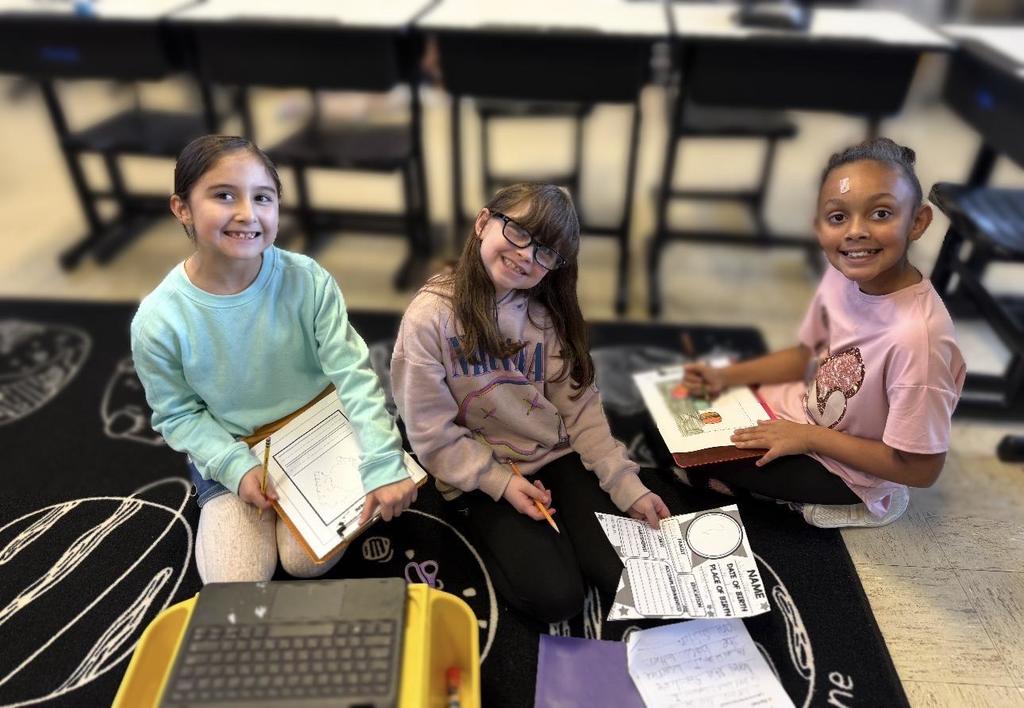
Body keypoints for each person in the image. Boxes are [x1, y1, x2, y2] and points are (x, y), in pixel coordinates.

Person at [131, 135, 416, 583]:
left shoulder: (308, 280)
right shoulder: (157, 320)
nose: (247, 214)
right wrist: (234, 467)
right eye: (224, 195)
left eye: (263, 198)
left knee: (304, 562)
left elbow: (355, 376)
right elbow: (178, 414)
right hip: (236, 444)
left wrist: (382, 457)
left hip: (320, 425)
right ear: (181, 208)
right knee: (236, 581)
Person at [391, 183, 670, 623]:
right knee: (556, 599)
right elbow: (429, 433)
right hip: (477, 469)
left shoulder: (546, 314)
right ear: (483, 222)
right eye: (519, 232)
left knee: (629, 574)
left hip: (551, 451)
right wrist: (500, 482)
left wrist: (625, 484)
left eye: (546, 252)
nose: (527, 255)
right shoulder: (428, 320)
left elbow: (580, 409)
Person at [682, 138, 966, 528]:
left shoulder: (919, 341)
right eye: (838, 218)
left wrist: (809, 438)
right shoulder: (844, 273)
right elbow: (805, 355)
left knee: (701, 465)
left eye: (881, 214)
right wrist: (726, 377)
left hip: (852, 471)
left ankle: (871, 504)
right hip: (807, 414)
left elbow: (921, 470)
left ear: (917, 222)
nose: (855, 233)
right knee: (679, 428)